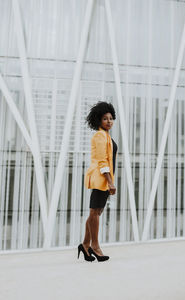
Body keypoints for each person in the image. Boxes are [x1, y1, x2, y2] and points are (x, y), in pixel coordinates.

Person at [78, 101, 118, 262]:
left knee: (96, 212)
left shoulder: (106, 136)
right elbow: (102, 161)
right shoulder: (100, 136)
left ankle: (85, 244)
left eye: (110, 118)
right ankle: (95, 245)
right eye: (105, 119)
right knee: (95, 212)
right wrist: (110, 181)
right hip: (101, 179)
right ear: (98, 121)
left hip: (103, 178)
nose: (109, 121)